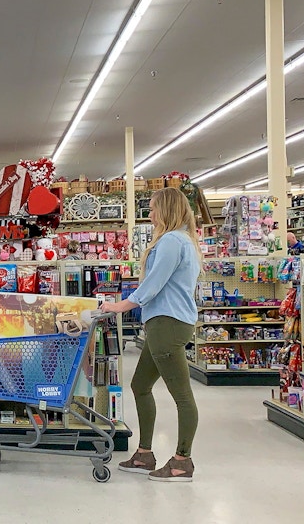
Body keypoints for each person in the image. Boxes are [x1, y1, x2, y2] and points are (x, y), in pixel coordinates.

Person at [100, 187, 201, 482]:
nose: (151, 214)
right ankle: (145, 454)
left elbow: (154, 284)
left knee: (182, 394)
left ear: (167, 210)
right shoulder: (185, 240)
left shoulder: (171, 240)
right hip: (165, 323)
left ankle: (183, 461)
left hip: (168, 325)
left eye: (155, 208)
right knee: (140, 384)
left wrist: (120, 306)